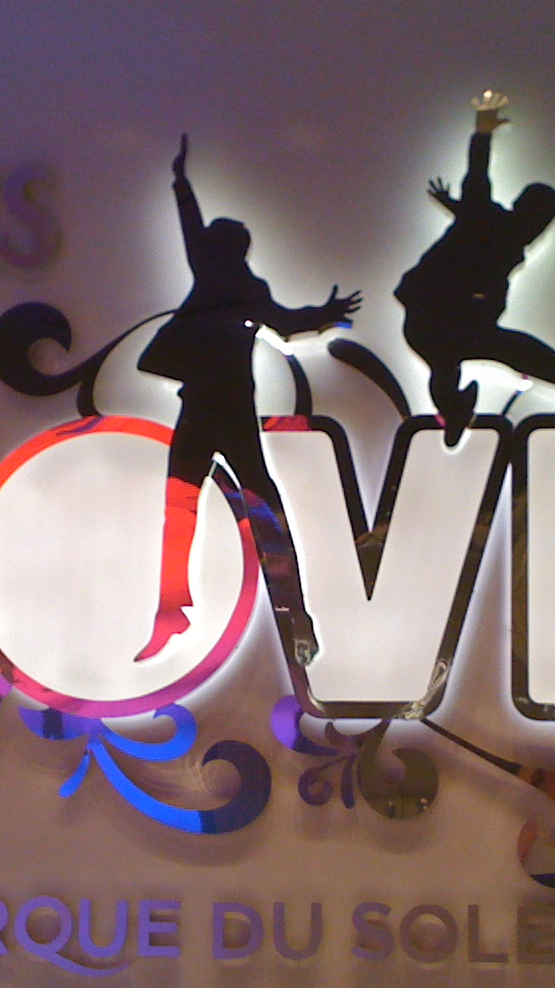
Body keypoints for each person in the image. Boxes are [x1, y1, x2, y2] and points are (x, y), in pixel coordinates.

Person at [134, 135, 359, 665]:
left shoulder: (225, 283)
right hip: (218, 410)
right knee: (218, 508)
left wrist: (182, 185)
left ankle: (287, 614)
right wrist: (181, 185)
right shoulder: (231, 283)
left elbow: (283, 319)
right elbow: (288, 321)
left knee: (201, 508)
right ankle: (203, 609)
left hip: (216, 412)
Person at [396, 90, 555, 445]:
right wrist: (482, 133)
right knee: (515, 355)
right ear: (524, 211)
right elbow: (477, 178)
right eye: (540, 219)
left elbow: (473, 211)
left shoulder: (501, 234)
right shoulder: (490, 222)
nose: (540, 229)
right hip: (435, 319)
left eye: (545, 223)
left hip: (450, 325)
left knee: (508, 357)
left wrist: (455, 205)